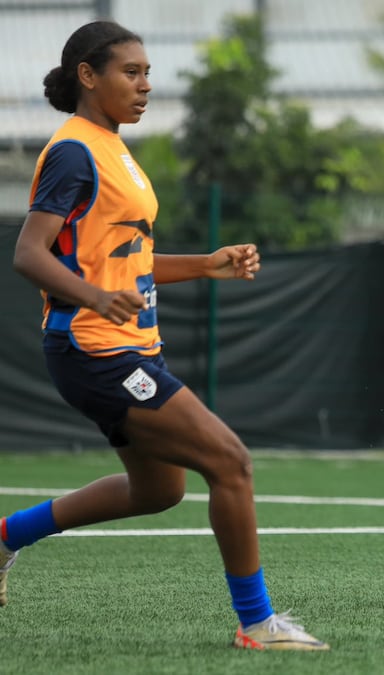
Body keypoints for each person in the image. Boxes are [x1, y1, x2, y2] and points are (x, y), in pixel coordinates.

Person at [0, 20, 328, 650]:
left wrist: (206, 264)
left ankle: (6, 537)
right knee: (230, 461)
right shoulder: (76, 150)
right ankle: (258, 623)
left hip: (120, 346)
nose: (147, 84)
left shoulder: (114, 148)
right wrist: (96, 297)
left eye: (148, 72)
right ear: (88, 77)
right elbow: (28, 253)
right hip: (95, 349)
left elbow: (126, 261)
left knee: (159, 489)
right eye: (132, 72)